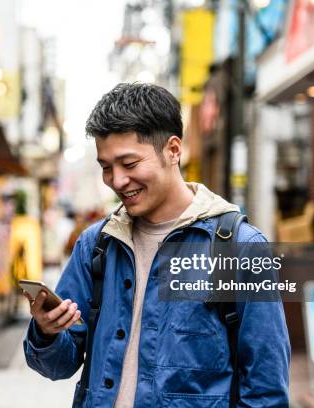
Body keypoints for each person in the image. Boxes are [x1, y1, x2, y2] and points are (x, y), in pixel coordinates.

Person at [23, 83, 290, 407]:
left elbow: (266, 389)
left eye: (129, 164)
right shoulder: (96, 245)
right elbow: (59, 366)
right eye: (106, 167)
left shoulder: (240, 248)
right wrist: (47, 332)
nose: (117, 180)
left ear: (173, 150)